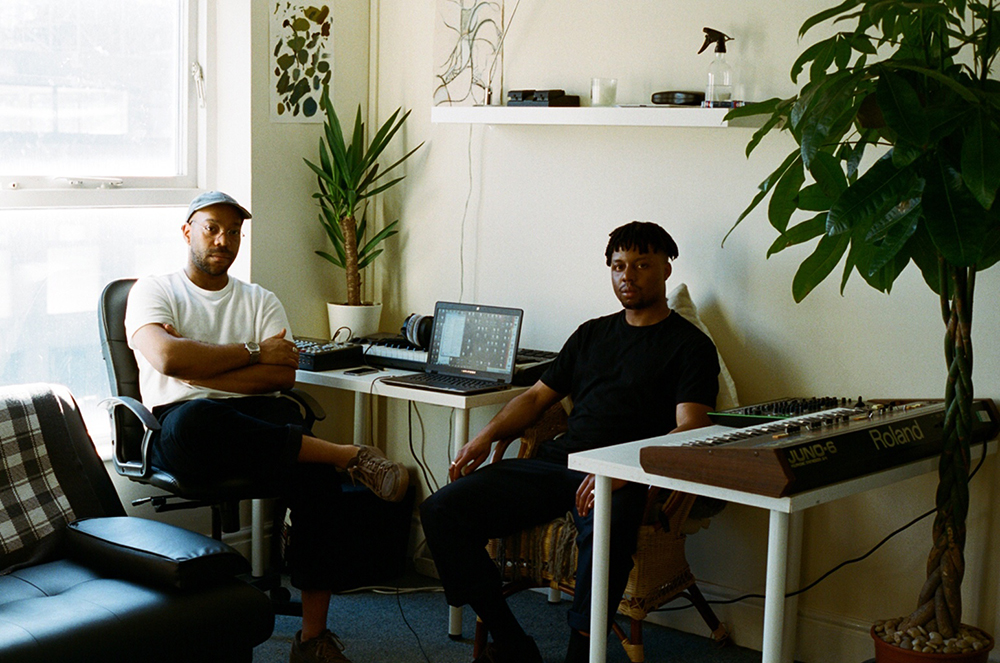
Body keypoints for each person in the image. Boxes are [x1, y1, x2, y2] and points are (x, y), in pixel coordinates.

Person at [125, 191, 409, 663]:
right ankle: (347, 456)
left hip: (259, 418)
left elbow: (281, 377)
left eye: (234, 232)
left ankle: (313, 639)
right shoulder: (155, 290)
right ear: (187, 231)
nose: (224, 240)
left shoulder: (260, 300)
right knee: (201, 419)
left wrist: (202, 369)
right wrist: (253, 353)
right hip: (182, 426)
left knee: (314, 475)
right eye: (212, 228)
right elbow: (169, 359)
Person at [420, 221, 720, 663]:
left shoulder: (690, 346)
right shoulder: (591, 334)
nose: (628, 276)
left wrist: (624, 470)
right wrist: (486, 435)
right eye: (619, 266)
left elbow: (692, 426)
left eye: (641, 265)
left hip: (623, 474)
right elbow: (535, 398)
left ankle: (581, 653)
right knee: (440, 510)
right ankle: (512, 642)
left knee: (608, 532)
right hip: (561, 462)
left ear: (666, 270)